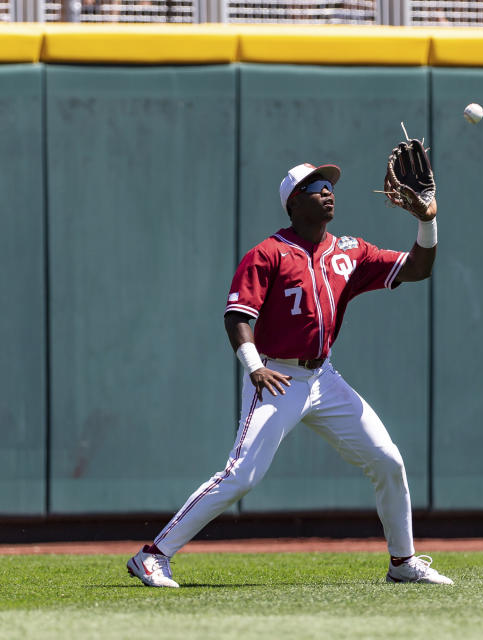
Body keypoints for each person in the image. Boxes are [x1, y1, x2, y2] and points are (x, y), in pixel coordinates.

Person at [126, 159, 452, 587]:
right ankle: (152, 555)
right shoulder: (268, 253)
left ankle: (403, 562)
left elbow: (417, 268)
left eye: (330, 184)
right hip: (276, 376)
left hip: (324, 378)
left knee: (388, 459)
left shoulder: (350, 252)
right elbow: (237, 316)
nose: (328, 191)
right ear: (294, 203)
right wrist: (254, 366)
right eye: (316, 186)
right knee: (242, 475)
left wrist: (427, 222)